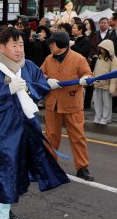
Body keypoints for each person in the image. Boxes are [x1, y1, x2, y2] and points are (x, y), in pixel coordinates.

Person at [0, 27, 69, 219]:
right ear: (2, 47)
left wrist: (44, 85)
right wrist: (7, 89)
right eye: (14, 45)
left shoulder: (28, 66)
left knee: (18, 170)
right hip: (2, 131)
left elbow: (38, 85)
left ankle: (7, 211)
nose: (19, 50)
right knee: (4, 172)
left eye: (21, 45)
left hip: (26, 128)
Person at [40, 31, 95, 181]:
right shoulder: (48, 59)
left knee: (78, 137)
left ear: (60, 45)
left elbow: (88, 74)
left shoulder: (78, 58)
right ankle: (50, 165)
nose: (50, 46)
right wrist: (48, 79)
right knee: (50, 136)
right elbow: (39, 75)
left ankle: (82, 167)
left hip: (72, 104)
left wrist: (85, 79)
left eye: (52, 43)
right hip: (53, 103)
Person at [91, 39, 117, 125]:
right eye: (101, 48)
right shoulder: (99, 57)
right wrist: (93, 79)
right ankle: (98, 116)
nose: (101, 50)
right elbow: (95, 70)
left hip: (106, 84)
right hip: (98, 83)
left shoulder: (114, 59)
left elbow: (114, 74)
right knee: (97, 101)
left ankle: (106, 118)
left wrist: (112, 87)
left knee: (107, 103)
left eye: (103, 48)